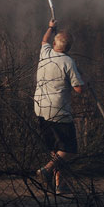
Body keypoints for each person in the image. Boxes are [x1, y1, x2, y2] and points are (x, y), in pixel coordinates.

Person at [33, 18, 84, 194]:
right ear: (69, 48)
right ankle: (46, 171)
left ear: (55, 43)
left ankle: (59, 185)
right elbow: (78, 89)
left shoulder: (45, 53)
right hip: (59, 111)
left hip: (40, 108)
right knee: (69, 150)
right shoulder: (68, 62)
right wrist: (83, 80)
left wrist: (50, 28)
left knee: (56, 149)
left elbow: (44, 41)